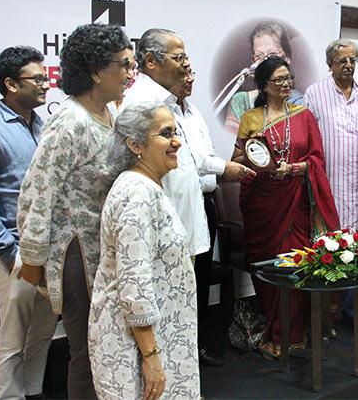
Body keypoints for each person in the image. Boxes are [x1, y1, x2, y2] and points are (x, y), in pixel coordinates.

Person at [122, 28, 254, 367]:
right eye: (178, 59)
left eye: (186, 59)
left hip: (191, 209)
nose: (185, 68)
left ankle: (181, 359)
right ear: (149, 61)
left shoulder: (176, 106)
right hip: (164, 217)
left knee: (186, 294)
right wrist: (224, 168)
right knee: (165, 299)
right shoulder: (143, 102)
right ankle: (163, 365)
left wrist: (225, 168)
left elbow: (195, 158)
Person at [17, 23, 134, 399]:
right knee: (86, 351)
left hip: (102, 249)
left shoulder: (108, 114)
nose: (130, 74)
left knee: (104, 345)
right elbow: (38, 192)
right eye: (123, 65)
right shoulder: (70, 122)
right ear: (97, 71)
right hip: (76, 255)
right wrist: (32, 258)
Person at [0, 46, 57, 399]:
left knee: (44, 329)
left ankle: (33, 391)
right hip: (13, 249)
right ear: (10, 84)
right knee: (14, 334)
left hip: (47, 246)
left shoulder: (42, 127)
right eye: (37, 78)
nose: (45, 85)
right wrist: (8, 252)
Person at [88, 102, 200, 399]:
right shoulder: (137, 194)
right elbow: (134, 285)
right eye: (165, 133)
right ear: (135, 144)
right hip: (135, 349)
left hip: (157, 341)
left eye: (176, 132)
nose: (177, 141)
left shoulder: (147, 186)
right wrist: (150, 358)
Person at [231, 56, 340, 358]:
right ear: (264, 85)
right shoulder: (251, 118)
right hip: (262, 205)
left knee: (296, 265)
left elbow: (318, 161)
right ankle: (274, 332)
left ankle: (293, 334)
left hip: (296, 202)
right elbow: (238, 160)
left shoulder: (304, 115)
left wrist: (292, 169)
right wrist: (252, 151)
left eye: (288, 78)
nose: (285, 84)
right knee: (269, 269)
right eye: (278, 80)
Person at [304, 38, 358, 333]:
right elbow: (309, 138)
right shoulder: (315, 93)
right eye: (341, 61)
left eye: (352, 60)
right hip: (331, 187)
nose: (348, 66)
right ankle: (328, 317)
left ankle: (356, 312)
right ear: (329, 65)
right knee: (332, 250)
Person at [224, 20, 305, 133]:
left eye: (272, 55)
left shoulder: (301, 104)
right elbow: (232, 142)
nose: (265, 62)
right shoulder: (241, 101)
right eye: (259, 56)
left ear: (286, 59)